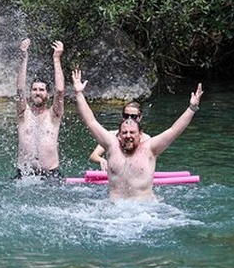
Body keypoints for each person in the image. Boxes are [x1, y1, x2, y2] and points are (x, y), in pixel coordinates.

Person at [73, 68, 203, 201]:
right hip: (113, 210)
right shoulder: (111, 145)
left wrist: (192, 109)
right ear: (119, 135)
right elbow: (91, 122)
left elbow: (173, 130)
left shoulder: (151, 148)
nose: (128, 135)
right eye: (124, 132)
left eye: (132, 132)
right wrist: (79, 94)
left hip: (144, 211)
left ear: (140, 134)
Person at [15, 38, 65, 179]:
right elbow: (19, 90)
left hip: (51, 175)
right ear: (30, 92)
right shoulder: (23, 114)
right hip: (24, 176)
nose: (37, 92)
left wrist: (56, 59)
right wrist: (24, 58)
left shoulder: (54, 115)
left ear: (48, 95)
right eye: (34, 89)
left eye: (41, 90)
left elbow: (60, 91)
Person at [88, 101, 150, 170]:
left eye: (133, 116)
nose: (129, 119)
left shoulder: (146, 139)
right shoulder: (111, 135)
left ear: (140, 117)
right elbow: (94, 155)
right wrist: (102, 160)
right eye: (126, 116)